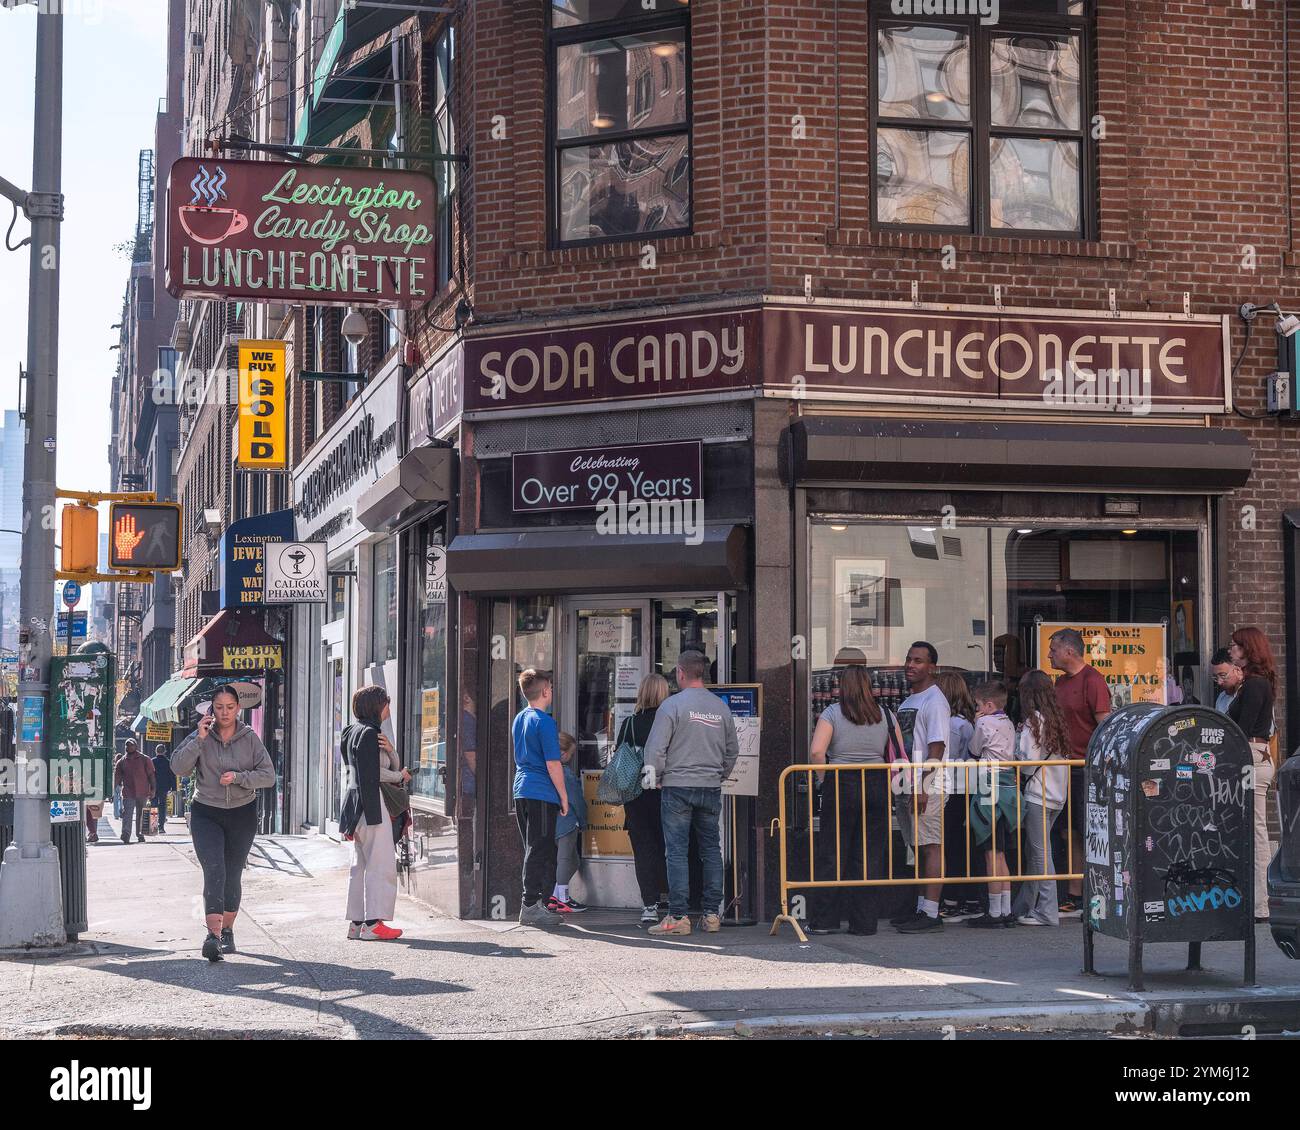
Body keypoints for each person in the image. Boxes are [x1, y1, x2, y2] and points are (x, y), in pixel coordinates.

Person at [171, 685, 276, 962]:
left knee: (232, 875)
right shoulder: (201, 736)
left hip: (242, 813)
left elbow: (268, 776)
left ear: (238, 709)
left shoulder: (249, 738)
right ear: (211, 710)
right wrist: (198, 739)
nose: (225, 712)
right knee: (214, 870)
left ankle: (227, 929)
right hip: (206, 811)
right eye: (219, 707)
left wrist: (240, 778)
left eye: (230, 707)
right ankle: (213, 937)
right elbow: (178, 768)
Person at [642, 650, 739, 937]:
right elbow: (732, 750)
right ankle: (712, 915)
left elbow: (656, 748)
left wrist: (655, 777)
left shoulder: (672, 706)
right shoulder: (720, 708)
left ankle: (678, 917)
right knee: (711, 849)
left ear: (681, 673)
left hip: (677, 787)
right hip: (709, 786)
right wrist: (718, 774)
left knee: (677, 852)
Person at [807, 665, 898, 936]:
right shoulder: (885, 714)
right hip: (877, 783)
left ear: (842, 686)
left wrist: (823, 781)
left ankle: (824, 921)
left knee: (832, 854)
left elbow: (816, 751)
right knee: (869, 855)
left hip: (841, 781)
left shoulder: (832, 713)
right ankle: (864, 922)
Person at [1047, 627, 1110, 914]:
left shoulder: (1092, 680)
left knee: (1089, 831)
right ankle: (1074, 893)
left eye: (1054, 650)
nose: (1050, 655)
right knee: (1067, 832)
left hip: (1086, 768)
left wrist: (1101, 764)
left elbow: (1106, 726)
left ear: (1069, 651)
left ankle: (1095, 891)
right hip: (1062, 767)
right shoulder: (1059, 684)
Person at [891, 642, 951, 934]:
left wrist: (925, 786)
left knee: (930, 845)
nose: (911, 665)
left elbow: (936, 746)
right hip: (907, 783)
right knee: (916, 846)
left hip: (929, 784)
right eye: (909, 659)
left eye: (918, 661)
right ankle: (920, 907)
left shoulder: (934, 701)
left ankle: (931, 911)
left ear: (932, 667)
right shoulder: (909, 700)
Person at [339, 685, 404, 941]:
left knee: (360, 866)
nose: (388, 708)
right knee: (380, 864)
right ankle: (374, 923)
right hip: (371, 804)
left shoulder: (350, 731)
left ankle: (357, 923)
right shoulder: (370, 733)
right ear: (378, 706)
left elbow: (356, 771)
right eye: (386, 703)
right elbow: (374, 774)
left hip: (354, 805)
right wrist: (400, 775)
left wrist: (389, 749)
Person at [1012, 670, 1072, 926]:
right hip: (1058, 794)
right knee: (1037, 851)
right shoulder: (1056, 718)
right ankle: (1024, 905)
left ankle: (1047, 910)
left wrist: (1016, 744)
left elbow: (1026, 764)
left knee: (1039, 854)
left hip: (1038, 793)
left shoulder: (1033, 722)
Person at [512, 668, 569, 927]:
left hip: (522, 790)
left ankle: (538, 903)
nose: (552, 692)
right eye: (551, 688)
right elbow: (553, 763)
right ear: (545, 691)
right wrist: (564, 796)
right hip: (541, 791)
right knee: (539, 849)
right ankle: (530, 905)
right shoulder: (544, 721)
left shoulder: (520, 718)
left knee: (534, 848)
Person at [1228, 626, 1278, 924]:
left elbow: (1242, 729)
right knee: (1251, 828)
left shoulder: (1255, 685)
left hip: (1252, 759)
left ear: (1248, 649)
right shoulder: (1254, 683)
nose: (1231, 650)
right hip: (1255, 759)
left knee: (1256, 831)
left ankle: (1262, 903)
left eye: (1236, 646)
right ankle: (1256, 899)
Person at [964, 680, 1018, 929]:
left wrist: (976, 722)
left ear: (987, 705)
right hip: (1008, 787)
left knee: (990, 852)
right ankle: (1006, 908)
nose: (976, 709)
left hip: (987, 786)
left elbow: (974, 749)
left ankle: (994, 911)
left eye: (977, 705)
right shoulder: (1008, 723)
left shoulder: (984, 722)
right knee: (1002, 852)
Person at [619, 673, 672, 924]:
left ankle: (649, 906)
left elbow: (619, 760)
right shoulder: (671, 722)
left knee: (644, 849)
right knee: (672, 847)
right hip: (666, 791)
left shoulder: (630, 724)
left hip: (636, 795)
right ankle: (672, 899)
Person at [935, 672, 981, 920]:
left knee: (951, 845)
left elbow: (946, 754)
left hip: (953, 787)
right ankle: (969, 899)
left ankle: (952, 900)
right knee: (962, 844)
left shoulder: (952, 725)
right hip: (965, 786)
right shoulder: (967, 721)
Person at [549, 732, 589, 914]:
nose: (571, 758)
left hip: (556, 822)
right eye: (571, 755)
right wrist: (583, 821)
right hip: (568, 822)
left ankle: (556, 896)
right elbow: (577, 801)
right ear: (564, 754)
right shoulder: (566, 774)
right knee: (566, 859)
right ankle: (562, 898)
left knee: (573, 860)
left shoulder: (547, 771)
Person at [114, 739, 155, 845]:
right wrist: (114, 790)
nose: (128, 747)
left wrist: (153, 789)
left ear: (136, 746)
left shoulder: (145, 759)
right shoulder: (121, 761)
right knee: (127, 814)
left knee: (141, 814)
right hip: (128, 792)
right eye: (126, 746)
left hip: (143, 791)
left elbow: (151, 775)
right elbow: (117, 778)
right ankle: (126, 835)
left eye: (131, 745)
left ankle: (140, 834)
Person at [151, 743, 176, 833]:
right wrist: (174, 788)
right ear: (164, 752)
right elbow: (172, 776)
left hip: (153, 787)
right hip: (164, 787)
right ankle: (161, 827)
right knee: (162, 806)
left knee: (153, 806)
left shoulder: (152, 761)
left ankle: (153, 826)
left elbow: (149, 775)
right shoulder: (168, 762)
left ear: (156, 751)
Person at [1211, 647, 1242, 712]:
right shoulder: (1221, 698)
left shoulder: (1249, 694)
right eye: (1216, 678)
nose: (1219, 682)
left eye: (1223, 675)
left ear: (1237, 670)